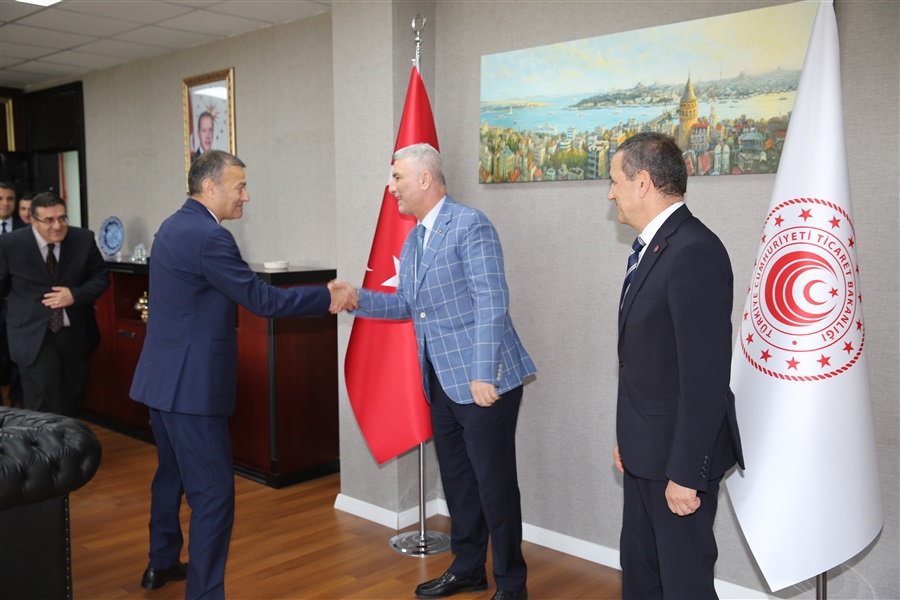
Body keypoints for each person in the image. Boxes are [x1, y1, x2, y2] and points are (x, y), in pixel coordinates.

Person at [129, 150, 356, 599]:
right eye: (240, 187)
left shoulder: (172, 225)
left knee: (171, 475)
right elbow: (262, 300)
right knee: (213, 497)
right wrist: (327, 295)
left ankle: (161, 562)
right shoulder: (211, 237)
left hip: (159, 380)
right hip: (191, 389)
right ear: (210, 188)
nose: (246, 196)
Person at [345, 143, 535, 600]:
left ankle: (512, 584)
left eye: (397, 178)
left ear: (425, 179)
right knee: (459, 484)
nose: (392, 188)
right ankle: (468, 567)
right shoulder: (414, 240)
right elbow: (408, 306)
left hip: (484, 381)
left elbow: (492, 300)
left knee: (494, 486)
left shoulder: (470, 225)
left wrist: (483, 373)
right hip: (441, 381)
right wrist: (356, 298)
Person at [608, 132, 743, 599]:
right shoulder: (653, 247)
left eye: (615, 181)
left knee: (684, 586)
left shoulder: (694, 251)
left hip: (677, 464)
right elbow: (647, 362)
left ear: (642, 182)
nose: (610, 194)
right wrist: (628, 437)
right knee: (641, 576)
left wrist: (686, 472)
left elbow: (704, 378)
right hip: (646, 452)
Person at [0, 192, 109, 415]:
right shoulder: (10, 244)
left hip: (74, 333)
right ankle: (42, 440)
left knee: (71, 401)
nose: (57, 226)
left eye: (62, 218)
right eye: (49, 220)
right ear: (33, 221)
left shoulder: (83, 239)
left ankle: (67, 440)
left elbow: (101, 278)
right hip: (32, 334)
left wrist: (75, 295)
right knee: (42, 404)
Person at [0, 182, 27, 407]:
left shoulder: (25, 230)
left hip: (17, 303)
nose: (5, 203)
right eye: (0, 199)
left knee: (19, 354)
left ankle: (18, 402)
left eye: (9, 198)